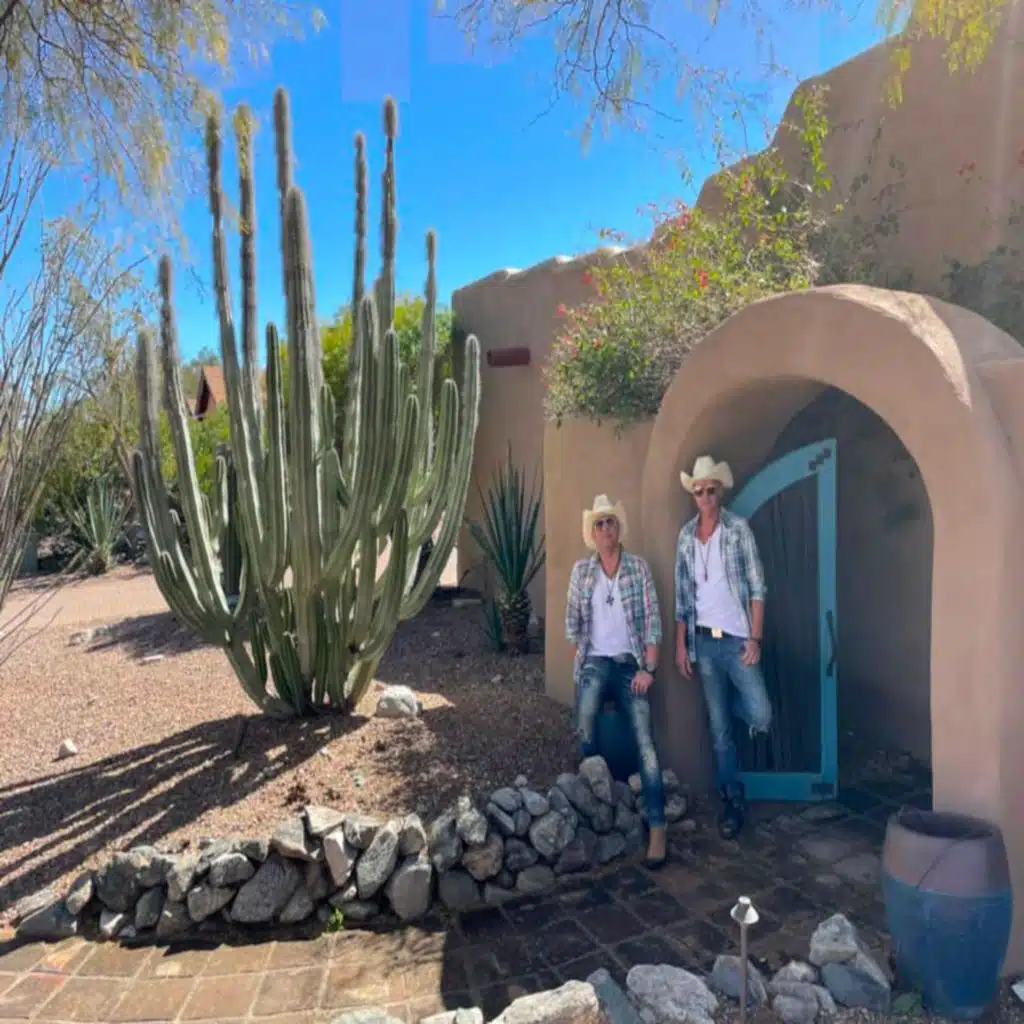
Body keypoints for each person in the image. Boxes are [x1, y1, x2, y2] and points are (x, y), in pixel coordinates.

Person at [565, 494, 668, 868]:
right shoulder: (582, 571)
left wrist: (648, 670)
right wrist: (581, 659)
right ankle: (596, 802)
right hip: (595, 660)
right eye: (599, 523)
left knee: (645, 738)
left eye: (610, 522)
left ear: (618, 528)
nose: (605, 528)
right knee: (584, 720)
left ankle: (658, 826)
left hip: (629, 664)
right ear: (592, 533)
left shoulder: (638, 569)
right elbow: (572, 623)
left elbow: (653, 622)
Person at [674, 456, 772, 839]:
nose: (705, 496)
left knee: (761, 714)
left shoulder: (738, 530)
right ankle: (732, 800)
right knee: (719, 732)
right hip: (703, 643)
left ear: (720, 491)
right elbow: (682, 597)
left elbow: (757, 586)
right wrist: (681, 645)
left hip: (737, 641)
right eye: (698, 491)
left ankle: (729, 715)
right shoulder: (685, 537)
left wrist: (755, 637)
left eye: (710, 490)